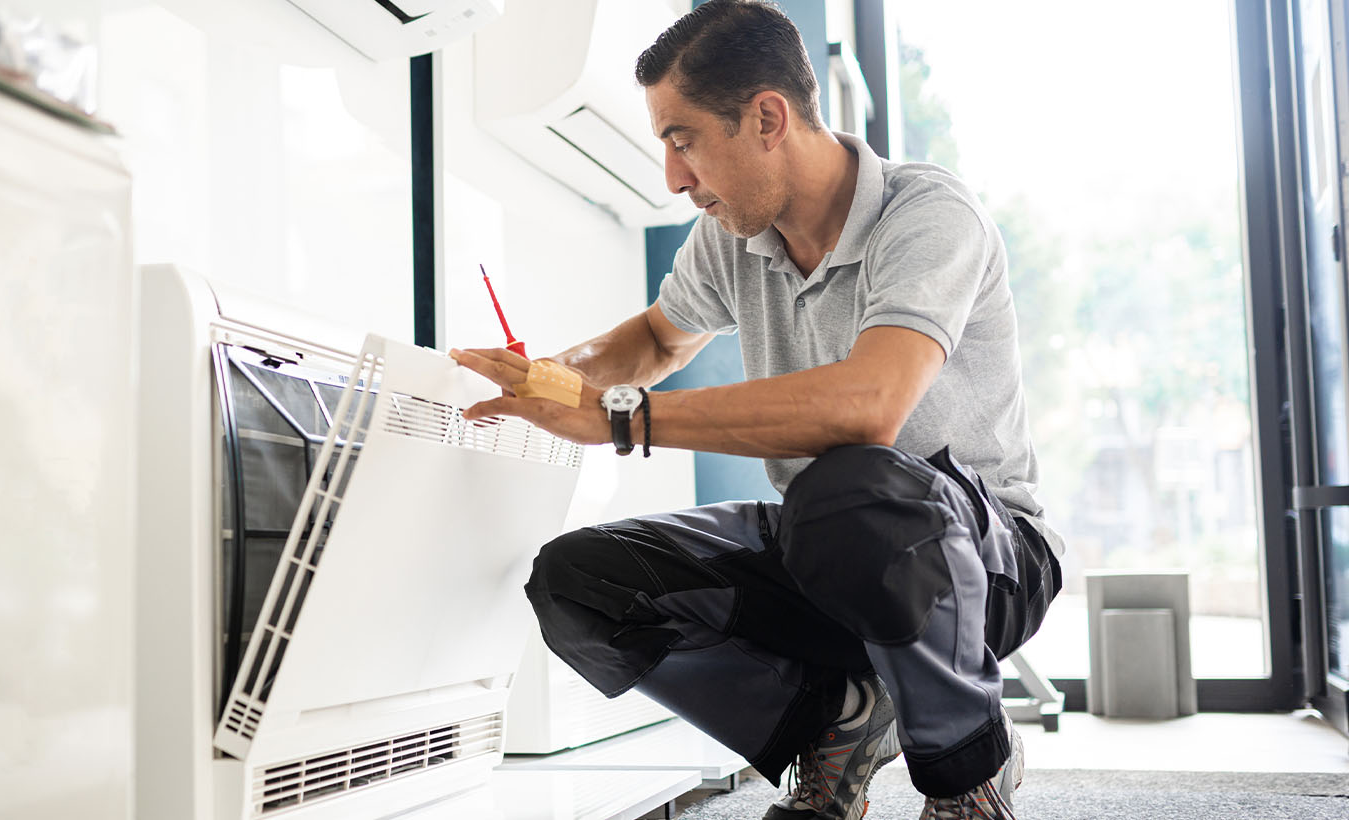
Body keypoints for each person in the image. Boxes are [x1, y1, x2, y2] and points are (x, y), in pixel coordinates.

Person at [449, 1, 1063, 818]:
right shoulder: (731, 237)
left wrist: (625, 417)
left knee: (851, 487)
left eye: (682, 139)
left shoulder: (926, 215)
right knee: (579, 583)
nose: (673, 177)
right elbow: (658, 340)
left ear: (766, 117)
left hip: (983, 558)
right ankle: (840, 720)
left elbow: (869, 407)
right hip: (832, 543)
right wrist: (556, 377)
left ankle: (967, 766)